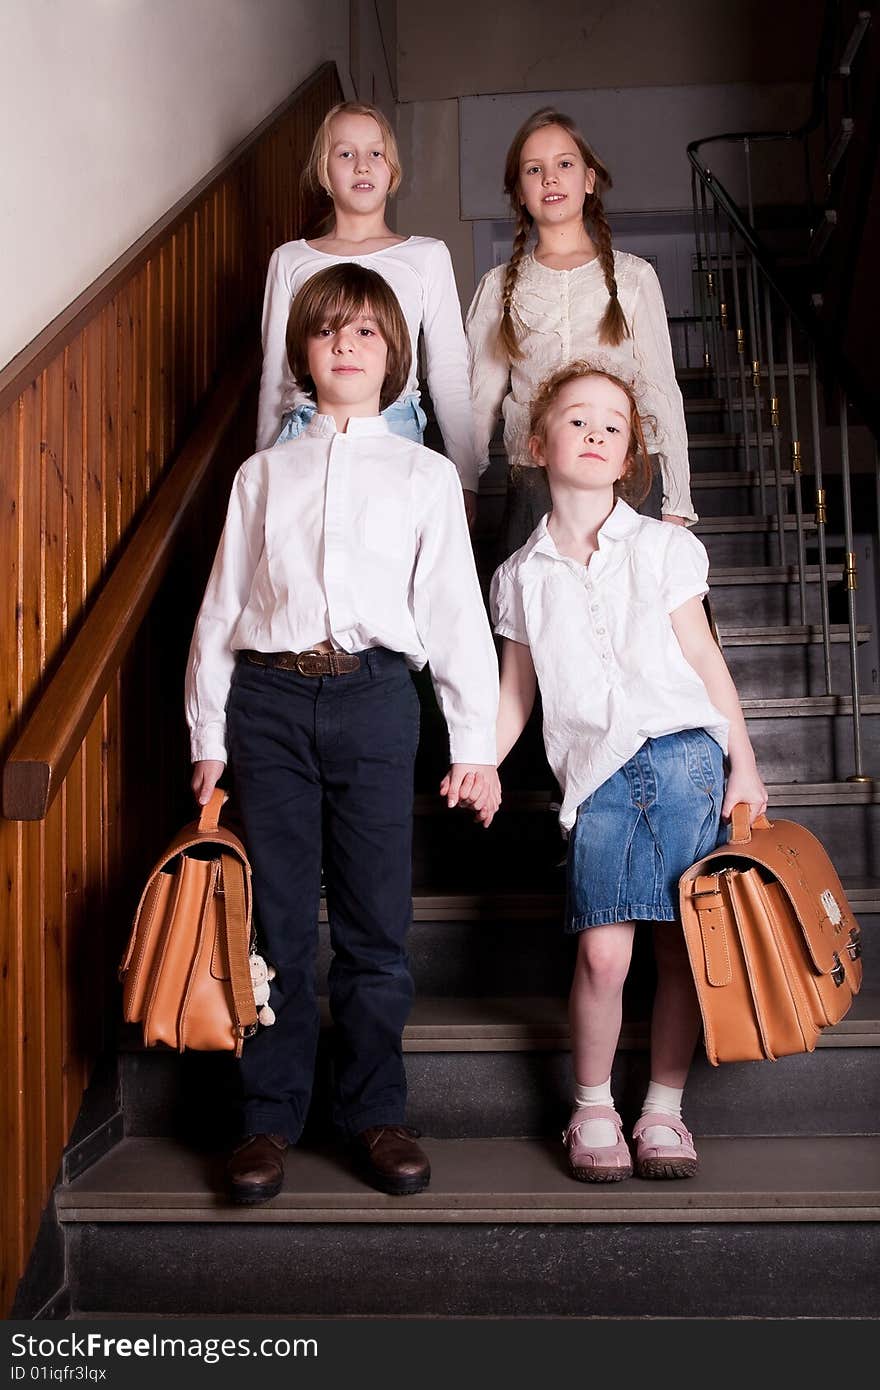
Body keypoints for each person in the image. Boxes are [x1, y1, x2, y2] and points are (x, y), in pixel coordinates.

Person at [186, 264, 501, 1205]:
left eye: (367, 332)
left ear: (393, 356)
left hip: (374, 701)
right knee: (276, 920)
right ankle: (267, 1119)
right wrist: (209, 734)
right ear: (305, 355)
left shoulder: (425, 475)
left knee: (374, 923)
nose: (348, 345)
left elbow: (452, 616)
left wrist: (474, 744)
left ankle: (375, 1112)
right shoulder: (261, 475)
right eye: (329, 332)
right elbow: (217, 614)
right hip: (269, 707)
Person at [470, 360, 766, 1182]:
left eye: (613, 425)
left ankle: (663, 1109)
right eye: (577, 419)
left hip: (684, 758)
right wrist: (481, 764)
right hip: (596, 779)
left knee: (677, 949)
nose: (597, 433)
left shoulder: (667, 548)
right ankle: (592, 1106)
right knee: (604, 955)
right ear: (538, 442)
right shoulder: (519, 577)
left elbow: (705, 661)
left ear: (630, 453)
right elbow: (516, 695)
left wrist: (745, 767)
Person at [465, 107, 697, 558]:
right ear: (520, 191)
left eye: (564, 164)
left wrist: (678, 501)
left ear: (589, 180)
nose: (550, 178)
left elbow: (659, 389)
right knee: (535, 617)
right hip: (535, 481)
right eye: (535, 169)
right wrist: (463, 486)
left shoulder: (633, 278)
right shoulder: (498, 287)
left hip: (627, 480)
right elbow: (477, 402)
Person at [258, 101, 481, 525]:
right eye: (346, 154)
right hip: (306, 434)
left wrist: (465, 479)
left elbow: (449, 370)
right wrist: (262, 468)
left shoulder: (426, 256)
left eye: (375, 154)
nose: (363, 166)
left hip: (393, 426)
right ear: (325, 172)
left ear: (392, 171)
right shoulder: (290, 260)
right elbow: (275, 376)